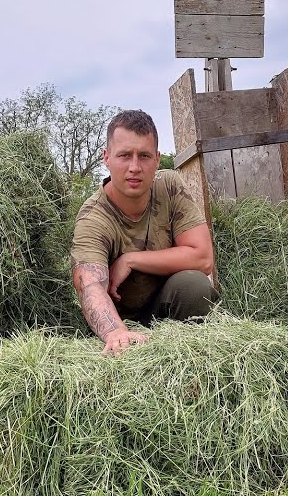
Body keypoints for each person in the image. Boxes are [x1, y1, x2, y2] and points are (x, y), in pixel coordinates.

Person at [70, 110, 219, 355]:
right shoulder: (93, 218)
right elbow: (90, 285)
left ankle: (195, 360)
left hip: (165, 308)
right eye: (125, 155)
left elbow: (203, 259)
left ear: (157, 159)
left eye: (144, 156)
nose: (135, 167)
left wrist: (131, 259)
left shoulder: (169, 187)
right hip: (121, 321)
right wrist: (115, 333)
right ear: (106, 158)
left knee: (194, 285)